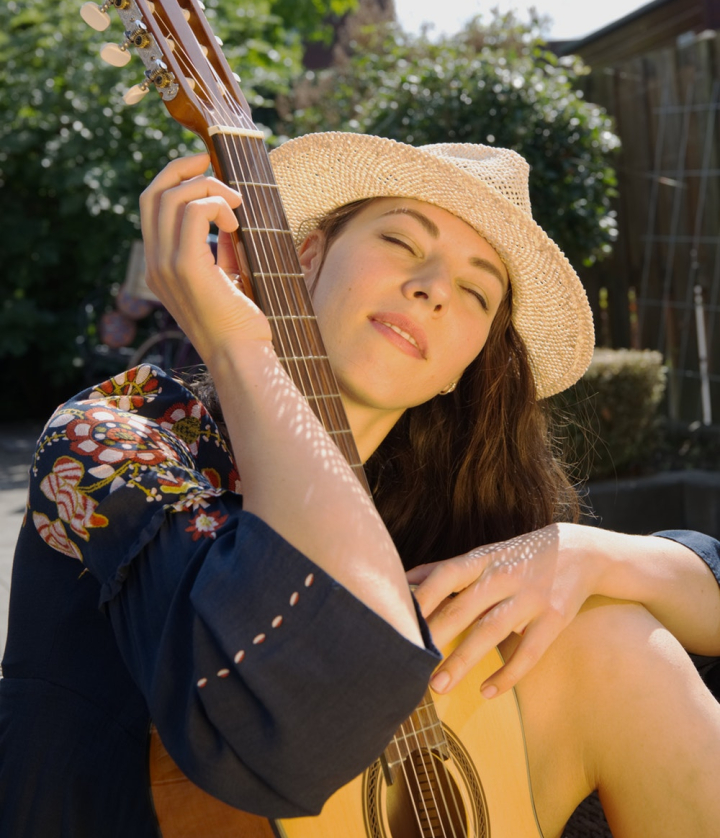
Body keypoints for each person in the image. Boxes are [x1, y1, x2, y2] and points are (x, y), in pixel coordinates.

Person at [1, 133, 719, 838]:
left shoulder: (449, 506)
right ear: (303, 257)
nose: (434, 287)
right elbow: (285, 728)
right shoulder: (117, 438)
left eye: (475, 290)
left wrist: (584, 554)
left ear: (460, 369)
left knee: (619, 637)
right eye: (403, 243)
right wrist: (235, 344)